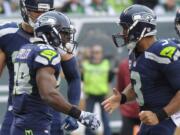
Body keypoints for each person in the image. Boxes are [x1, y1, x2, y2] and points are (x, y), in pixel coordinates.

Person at [10, 10, 100, 135]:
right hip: (36, 124)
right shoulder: (47, 53)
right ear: (50, 32)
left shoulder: (26, 48)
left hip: (21, 122)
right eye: (64, 33)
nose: (67, 38)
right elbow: (48, 94)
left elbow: (73, 75)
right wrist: (79, 114)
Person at [0, 0, 81, 135]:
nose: (41, 16)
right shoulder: (7, 34)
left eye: (46, 12)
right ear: (24, 10)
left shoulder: (58, 34)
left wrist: (74, 108)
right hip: (17, 110)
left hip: (50, 111)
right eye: (37, 11)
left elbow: (74, 76)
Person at [102, 4, 180, 135]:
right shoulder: (135, 52)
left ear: (140, 27)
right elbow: (140, 83)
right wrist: (123, 98)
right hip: (149, 120)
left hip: (169, 120)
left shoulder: (163, 51)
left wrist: (159, 115)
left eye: (125, 28)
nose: (122, 33)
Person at [82, 45, 112, 135]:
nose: (96, 55)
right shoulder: (85, 64)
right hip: (90, 95)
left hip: (103, 95)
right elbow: (82, 79)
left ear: (102, 54)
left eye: (98, 52)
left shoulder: (106, 63)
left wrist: (109, 94)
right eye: (94, 52)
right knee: (88, 118)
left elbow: (109, 80)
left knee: (105, 118)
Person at [117, 58, 140, 135]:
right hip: (128, 111)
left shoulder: (151, 62)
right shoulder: (123, 65)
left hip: (147, 111)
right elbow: (120, 88)